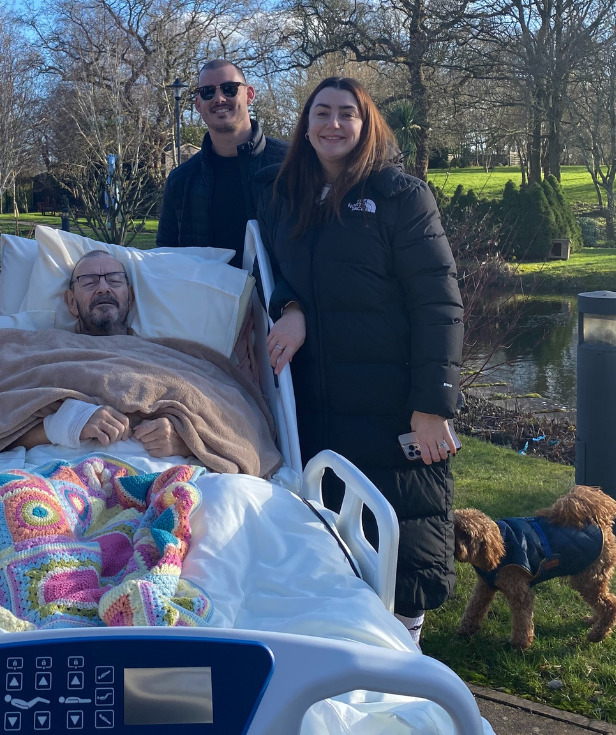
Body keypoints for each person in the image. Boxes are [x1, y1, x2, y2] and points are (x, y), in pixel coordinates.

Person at [258, 77, 464, 646]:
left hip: (392, 409)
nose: (333, 124)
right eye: (321, 113)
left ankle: (404, 671)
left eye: (346, 113)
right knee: (335, 555)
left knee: (402, 560)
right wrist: (291, 306)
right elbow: (272, 276)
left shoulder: (401, 197)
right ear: (305, 125)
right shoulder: (286, 197)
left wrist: (431, 406)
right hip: (320, 412)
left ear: (366, 123)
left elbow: (438, 303)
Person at [9, 250, 191, 458]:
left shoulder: (171, 356)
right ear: (71, 302)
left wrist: (184, 441)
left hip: (159, 475)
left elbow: (226, 422)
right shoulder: (44, 350)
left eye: (114, 281)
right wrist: (67, 423)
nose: (103, 288)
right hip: (52, 474)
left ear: (130, 297)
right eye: (89, 282)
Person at [156, 60, 288, 269]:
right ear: (198, 105)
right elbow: (166, 256)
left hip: (280, 301)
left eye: (229, 89)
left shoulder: (291, 164)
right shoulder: (180, 181)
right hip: (207, 300)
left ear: (249, 95)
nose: (219, 98)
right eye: (207, 92)